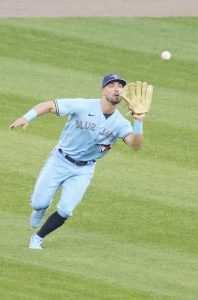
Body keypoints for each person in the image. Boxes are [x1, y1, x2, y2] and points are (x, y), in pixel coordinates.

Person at [10, 73, 145, 250]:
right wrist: (27, 117)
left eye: (120, 86)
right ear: (103, 90)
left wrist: (138, 121)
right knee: (39, 203)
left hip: (84, 170)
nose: (117, 89)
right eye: (112, 85)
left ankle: (38, 237)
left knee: (66, 210)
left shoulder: (121, 123)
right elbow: (49, 105)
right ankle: (41, 208)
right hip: (59, 160)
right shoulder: (82, 105)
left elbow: (135, 145)